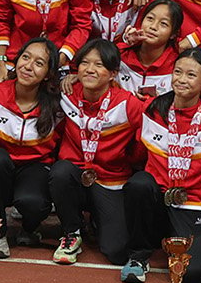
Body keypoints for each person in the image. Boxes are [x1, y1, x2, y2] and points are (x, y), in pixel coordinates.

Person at [121, 48, 201, 283]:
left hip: (192, 202)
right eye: (178, 72)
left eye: (191, 75)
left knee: (194, 276)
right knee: (139, 183)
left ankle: (172, 239)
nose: (182, 79)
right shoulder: (152, 111)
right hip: (156, 198)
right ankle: (138, 256)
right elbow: (136, 151)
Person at [48, 39, 147, 265]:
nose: (90, 69)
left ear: (113, 74)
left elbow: (144, 139)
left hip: (111, 182)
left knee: (117, 252)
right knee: (60, 171)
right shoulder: (67, 94)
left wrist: (128, 159)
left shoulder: (128, 104)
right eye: (84, 63)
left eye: (99, 65)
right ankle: (72, 232)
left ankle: (96, 222)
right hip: (75, 176)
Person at [0, 37, 61, 257]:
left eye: (39, 63)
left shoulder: (57, 106)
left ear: (48, 74)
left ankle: (29, 227)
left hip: (34, 169)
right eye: (25, 57)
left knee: (33, 202)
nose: (28, 66)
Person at [118, 0, 183, 98]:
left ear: (173, 34)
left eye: (163, 24)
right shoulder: (120, 55)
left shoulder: (177, 67)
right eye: (150, 18)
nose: (153, 27)